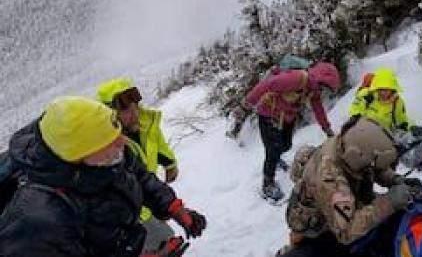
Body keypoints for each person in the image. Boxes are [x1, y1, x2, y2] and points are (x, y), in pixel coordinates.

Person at [0, 96, 206, 257]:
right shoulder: (38, 221)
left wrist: (173, 207)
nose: (123, 143)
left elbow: (139, 176)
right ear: (77, 155)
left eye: (118, 134)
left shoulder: (108, 154)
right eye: (109, 141)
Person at [279, 116, 421, 257]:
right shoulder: (330, 180)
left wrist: (396, 180)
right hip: (321, 224)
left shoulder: (347, 143)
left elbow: (373, 166)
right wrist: (389, 202)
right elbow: (347, 232)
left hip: (340, 198)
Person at [97, 77, 180, 251]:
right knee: (162, 239)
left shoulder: (144, 124)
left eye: (135, 106)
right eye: (126, 110)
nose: (134, 113)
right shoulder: (108, 148)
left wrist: (170, 163)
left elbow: (158, 145)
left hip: (149, 191)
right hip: (132, 209)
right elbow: (117, 192)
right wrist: (147, 215)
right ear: (109, 114)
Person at [241, 61, 341, 201]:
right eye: (324, 87)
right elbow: (269, 84)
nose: (323, 91)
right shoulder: (296, 78)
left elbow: (318, 108)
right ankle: (268, 183)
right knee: (273, 149)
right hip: (269, 113)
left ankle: (276, 159)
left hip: (287, 117)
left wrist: (327, 128)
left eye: (325, 89)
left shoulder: (314, 90)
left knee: (286, 145)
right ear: (319, 79)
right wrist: (250, 100)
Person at [348, 67, 414, 133]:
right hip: (362, 131)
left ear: (392, 89)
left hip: (383, 137)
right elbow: (355, 108)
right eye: (380, 89)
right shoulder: (366, 94)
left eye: (386, 89)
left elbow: (402, 121)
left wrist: (411, 129)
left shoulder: (397, 102)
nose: (382, 92)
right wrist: (355, 117)